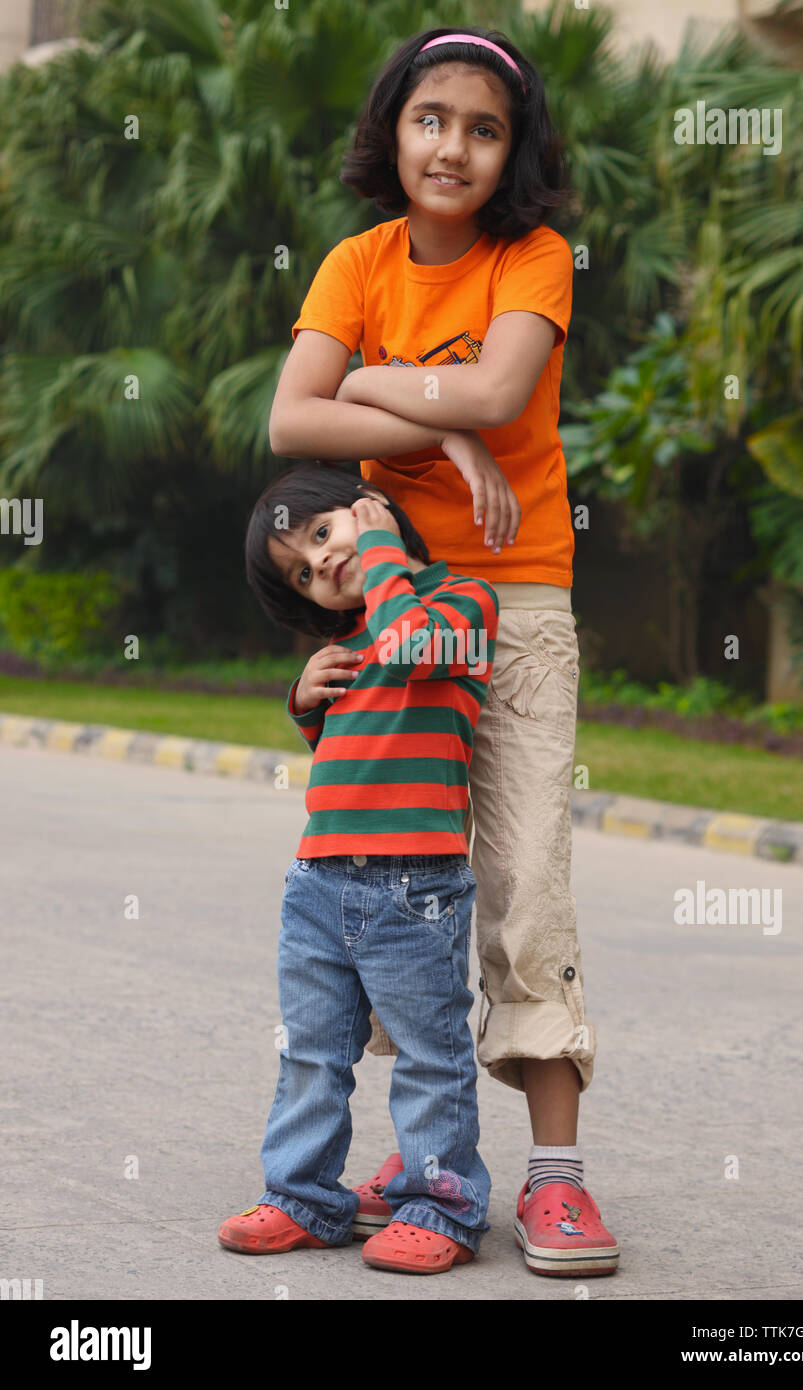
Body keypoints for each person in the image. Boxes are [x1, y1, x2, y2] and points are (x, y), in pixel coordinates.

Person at [267, 26, 619, 1277]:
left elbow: (491, 391)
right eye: (430, 119)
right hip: (389, 606)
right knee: (381, 880)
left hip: (513, 607)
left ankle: (558, 1180)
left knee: (524, 881)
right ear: (392, 129)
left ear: (510, 150)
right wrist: (447, 419)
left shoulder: (531, 258)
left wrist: (384, 390)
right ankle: (425, 1157)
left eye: (482, 127)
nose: (452, 145)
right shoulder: (358, 259)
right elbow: (283, 418)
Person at [217, 464, 499, 1274]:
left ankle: (440, 1205)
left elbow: (414, 646)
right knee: (310, 1049)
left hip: (415, 885)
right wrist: (305, 699)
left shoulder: (462, 605)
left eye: (321, 532)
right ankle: (302, 1195)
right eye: (302, 573)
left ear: (371, 512)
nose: (321, 563)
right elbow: (351, 754)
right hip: (317, 883)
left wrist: (379, 546)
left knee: (429, 1054)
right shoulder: (347, 648)